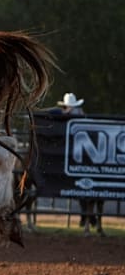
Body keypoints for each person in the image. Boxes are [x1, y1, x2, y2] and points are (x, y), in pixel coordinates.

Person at [52, 92, 101, 228]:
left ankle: (87, 215)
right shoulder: (61, 117)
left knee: (84, 186)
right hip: (72, 156)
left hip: (80, 157)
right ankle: (87, 215)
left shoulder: (80, 117)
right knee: (81, 186)